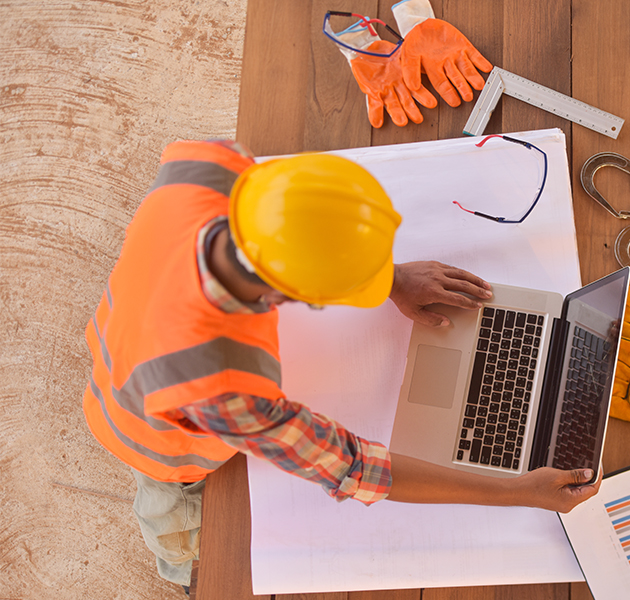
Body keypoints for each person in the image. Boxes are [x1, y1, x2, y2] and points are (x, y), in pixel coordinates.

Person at [82, 139, 600, 593]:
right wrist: (520, 491)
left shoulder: (207, 167)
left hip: (124, 333)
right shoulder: (221, 383)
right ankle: (184, 569)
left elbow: (302, 224)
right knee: (186, 525)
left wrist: (392, 278)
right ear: (286, 293)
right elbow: (354, 467)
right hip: (150, 436)